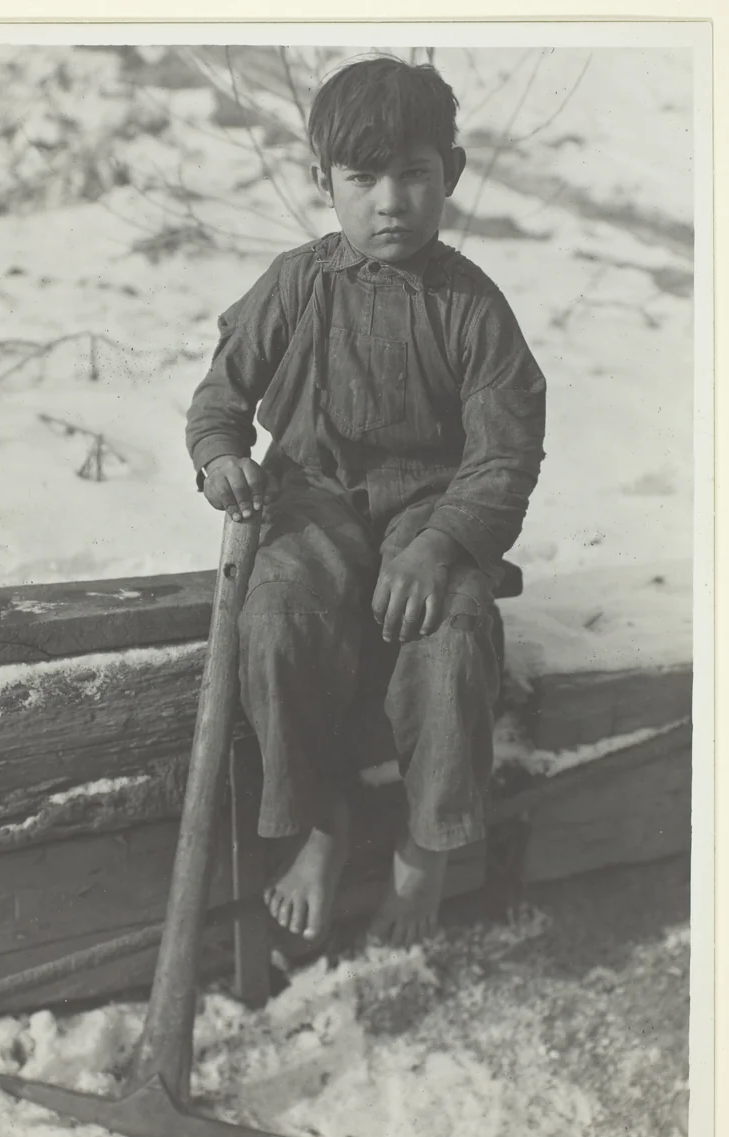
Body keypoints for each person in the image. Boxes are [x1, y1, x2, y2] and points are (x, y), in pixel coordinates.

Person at [185, 54, 546, 950]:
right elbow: (220, 399)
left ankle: (427, 846)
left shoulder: (472, 307)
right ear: (324, 182)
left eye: (414, 174)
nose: (391, 200)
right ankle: (320, 821)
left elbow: (506, 451)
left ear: (450, 175)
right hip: (310, 500)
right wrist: (223, 458)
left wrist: (442, 546)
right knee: (274, 622)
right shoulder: (296, 283)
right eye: (363, 178)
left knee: (454, 637)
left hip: (433, 513)